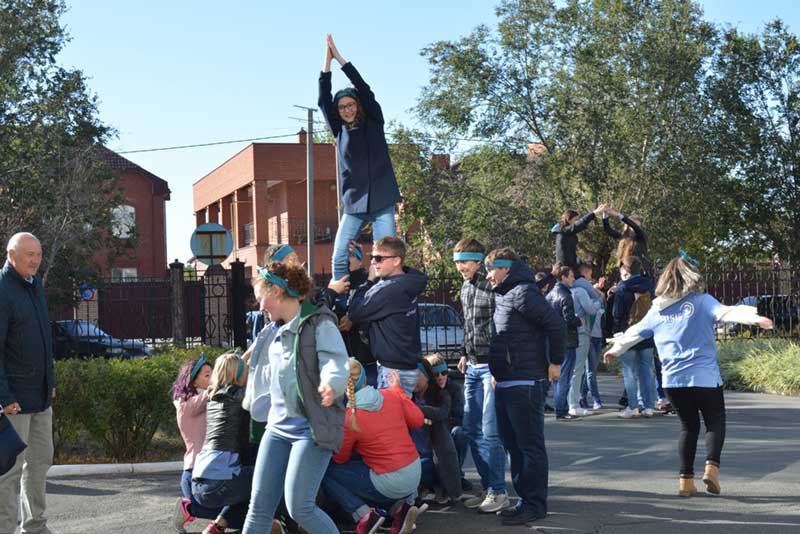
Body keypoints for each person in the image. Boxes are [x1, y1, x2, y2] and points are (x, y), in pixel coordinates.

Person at [604, 252, 773, 497]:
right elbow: (727, 313)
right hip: (704, 376)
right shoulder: (702, 301)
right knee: (715, 421)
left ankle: (685, 482)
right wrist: (756, 319)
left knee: (688, 427)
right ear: (691, 277)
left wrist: (615, 350)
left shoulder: (657, 309)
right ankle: (711, 468)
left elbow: (635, 332)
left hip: (673, 380)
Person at [242, 263, 349, 534]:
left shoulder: (319, 323)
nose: (260, 306)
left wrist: (330, 383)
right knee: (258, 508)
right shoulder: (272, 330)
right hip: (276, 428)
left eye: (261, 298)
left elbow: (335, 361)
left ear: (277, 291)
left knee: (299, 507)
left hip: (310, 429)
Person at [485, 248, 565, 525]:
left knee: (529, 446)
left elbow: (556, 325)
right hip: (508, 381)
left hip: (526, 382)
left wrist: (555, 362)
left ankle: (534, 504)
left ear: (506, 268)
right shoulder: (506, 294)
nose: (488, 274)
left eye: (492, 268)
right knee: (514, 446)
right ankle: (525, 501)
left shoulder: (522, 292)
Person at [319, 34, 401, 283]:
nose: (346, 110)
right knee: (339, 256)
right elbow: (323, 99)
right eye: (342, 107)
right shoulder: (339, 130)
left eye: (350, 105)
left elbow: (364, 89)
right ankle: (341, 304)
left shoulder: (374, 120)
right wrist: (327, 62)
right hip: (354, 202)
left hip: (382, 198)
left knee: (385, 257)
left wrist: (341, 60)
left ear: (358, 105)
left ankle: (385, 295)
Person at [323, 359, 424, 534]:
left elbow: (340, 458)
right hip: (414, 472)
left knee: (328, 473)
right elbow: (418, 420)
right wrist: (399, 391)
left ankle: (365, 516)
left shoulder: (350, 417)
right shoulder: (390, 395)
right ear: (365, 379)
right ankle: (400, 509)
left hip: (389, 480)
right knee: (371, 472)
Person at [0, 232, 54, 534]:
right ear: (11, 256)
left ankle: (35, 527)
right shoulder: (2, 289)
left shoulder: (35, 287)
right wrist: (4, 396)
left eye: (38, 254)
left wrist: (51, 381)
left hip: (40, 398)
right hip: (13, 402)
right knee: (8, 471)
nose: (35, 260)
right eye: (28, 254)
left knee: (40, 464)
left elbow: (44, 339)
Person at [452, 238, 509, 512]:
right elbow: (469, 325)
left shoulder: (493, 287)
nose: (460, 267)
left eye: (464, 261)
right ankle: (489, 488)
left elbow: (503, 328)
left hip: (491, 368)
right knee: (471, 430)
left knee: (490, 432)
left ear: (478, 261)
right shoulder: (466, 287)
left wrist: (500, 366)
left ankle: (499, 491)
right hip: (472, 367)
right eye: (457, 262)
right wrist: (464, 352)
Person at [347, 237, 428, 397]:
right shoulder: (408, 282)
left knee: (390, 420)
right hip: (407, 367)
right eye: (372, 258)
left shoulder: (389, 290)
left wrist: (369, 281)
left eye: (379, 259)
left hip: (392, 372)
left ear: (397, 260)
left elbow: (355, 312)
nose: (373, 263)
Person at [191, 352, 252, 534]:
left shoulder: (212, 395)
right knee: (269, 479)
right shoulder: (241, 396)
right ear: (239, 375)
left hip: (200, 481)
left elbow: (238, 363)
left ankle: (217, 526)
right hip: (219, 483)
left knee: (246, 485)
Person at [171, 355, 227, 534]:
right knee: (231, 513)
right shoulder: (187, 404)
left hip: (209, 466)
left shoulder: (201, 401)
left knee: (231, 510)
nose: (211, 379)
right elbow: (213, 390)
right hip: (196, 470)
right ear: (193, 380)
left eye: (212, 374)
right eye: (207, 375)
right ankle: (187, 509)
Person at [612, 256, 657, 418]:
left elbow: (617, 314)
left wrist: (616, 332)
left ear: (626, 269)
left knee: (630, 371)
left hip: (628, 332)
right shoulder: (649, 286)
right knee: (647, 369)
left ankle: (633, 407)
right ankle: (649, 406)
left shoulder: (623, 287)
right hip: (647, 332)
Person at [412, 358, 462, 505]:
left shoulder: (442, 395)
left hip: (433, 458)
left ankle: (441, 486)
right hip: (414, 455)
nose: (411, 379)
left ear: (426, 376)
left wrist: (413, 410)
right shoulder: (408, 396)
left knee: (459, 434)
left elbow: (441, 413)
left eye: (416, 374)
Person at [425, 354, 469, 492]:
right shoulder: (426, 391)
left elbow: (459, 417)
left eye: (444, 373)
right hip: (431, 433)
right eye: (436, 374)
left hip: (447, 430)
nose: (440, 377)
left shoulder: (454, 389)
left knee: (460, 433)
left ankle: (456, 473)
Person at [546, 267, 583, 421]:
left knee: (556, 376)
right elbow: (569, 319)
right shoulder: (566, 295)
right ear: (564, 277)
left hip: (552, 339)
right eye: (571, 276)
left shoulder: (549, 294)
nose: (573, 279)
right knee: (565, 376)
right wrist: (578, 320)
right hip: (567, 340)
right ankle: (562, 409)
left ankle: (560, 407)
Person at [567, 270, 603, 417]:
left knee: (567, 370)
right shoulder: (580, 291)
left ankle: (565, 403)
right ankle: (573, 404)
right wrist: (598, 300)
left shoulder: (557, 292)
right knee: (578, 370)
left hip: (565, 334)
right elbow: (591, 309)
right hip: (581, 333)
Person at [575, 264, 607, 410]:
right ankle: (595, 399)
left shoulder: (595, 296)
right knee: (590, 371)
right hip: (589, 335)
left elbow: (602, 299)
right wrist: (595, 288)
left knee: (591, 370)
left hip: (598, 336)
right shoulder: (583, 292)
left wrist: (600, 291)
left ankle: (582, 396)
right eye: (589, 275)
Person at [551, 205, 607, 269]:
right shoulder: (565, 231)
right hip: (566, 270)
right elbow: (580, 223)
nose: (577, 221)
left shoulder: (566, 232)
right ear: (569, 220)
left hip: (570, 266)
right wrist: (595, 213)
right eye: (575, 219)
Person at [603, 207, 651, 275]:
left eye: (638, 226)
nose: (635, 227)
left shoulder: (641, 238)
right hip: (624, 271)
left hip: (638, 272)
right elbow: (608, 230)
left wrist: (618, 215)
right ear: (628, 226)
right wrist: (605, 214)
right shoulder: (623, 237)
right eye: (632, 225)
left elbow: (634, 227)